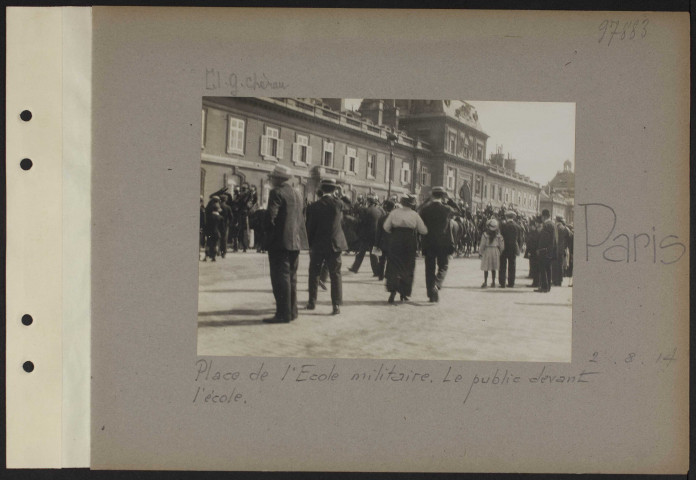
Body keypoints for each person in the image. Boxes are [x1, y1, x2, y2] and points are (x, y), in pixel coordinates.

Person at [262, 165, 309, 323]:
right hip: (296, 242)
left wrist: (267, 234)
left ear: (277, 179)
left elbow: (270, 217)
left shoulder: (276, 192)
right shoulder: (297, 193)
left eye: (272, 177)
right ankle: (292, 311)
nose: (271, 179)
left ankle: (283, 314)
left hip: (280, 243)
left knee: (280, 278)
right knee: (292, 278)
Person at [305, 179, 348, 315]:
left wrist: (310, 244)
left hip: (318, 244)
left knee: (314, 273)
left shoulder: (313, 206)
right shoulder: (338, 204)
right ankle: (336, 305)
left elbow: (309, 227)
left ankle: (312, 302)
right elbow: (349, 205)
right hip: (335, 244)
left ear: (321, 189)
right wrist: (341, 193)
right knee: (335, 274)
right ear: (334, 190)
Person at [383, 194, 428, 303]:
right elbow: (424, 230)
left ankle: (393, 289)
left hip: (396, 240)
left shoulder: (394, 212)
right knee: (408, 266)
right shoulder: (415, 215)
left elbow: (386, 227)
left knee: (393, 264)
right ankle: (404, 293)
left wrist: (394, 233)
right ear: (412, 204)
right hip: (409, 240)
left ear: (402, 202)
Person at [418, 186, 457, 302]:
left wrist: (426, 201)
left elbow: (417, 212)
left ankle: (431, 294)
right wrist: (450, 200)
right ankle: (437, 284)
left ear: (432, 195)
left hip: (428, 242)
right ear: (443, 196)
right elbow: (459, 211)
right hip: (443, 243)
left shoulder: (425, 210)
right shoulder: (447, 209)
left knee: (429, 268)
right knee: (443, 266)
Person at [348, 194, 385, 275]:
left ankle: (355, 268)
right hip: (376, 235)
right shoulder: (380, 211)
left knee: (361, 253)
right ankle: (376, 271)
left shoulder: (365, 210)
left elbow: (361, 222)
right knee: (374, 254)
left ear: (368, 202)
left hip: (366, 235)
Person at [535, 209, 557, 293]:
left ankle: (544, 287)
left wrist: (540, 249)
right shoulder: (552, 224)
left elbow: (544, 240)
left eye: (542, 217)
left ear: (544, 216)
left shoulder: (546, 225)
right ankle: (548, 287)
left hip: (544, 251)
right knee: (548, 269)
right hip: (550, 250)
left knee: (543, 268)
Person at [498, 211, 522, 288]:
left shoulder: (503, 226)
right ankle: (511, 283)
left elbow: (500, 237)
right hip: (513, 248)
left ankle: (502, 283)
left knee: (502, 265)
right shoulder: (517, 226)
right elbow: (520, 239)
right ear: (513, 217)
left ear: (506, 217)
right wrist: (519, 248)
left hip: (504, 248)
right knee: (512, 265)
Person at [479, 218, 504, 288]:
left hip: (487, 250)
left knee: (486, 267)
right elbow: (501, 245)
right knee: (494, 267)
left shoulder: (485, 235)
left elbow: (482, 244)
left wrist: (480, 252)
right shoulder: (499, 235)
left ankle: (485, 282)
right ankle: (493, 282)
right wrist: (501, 252)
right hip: (495, 251)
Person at [374, 199, 395, 281]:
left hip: (382, 242)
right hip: (392, 243)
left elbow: (378, 233)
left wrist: (376, 245)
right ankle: (387, 274)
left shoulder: (381, 218)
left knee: (381, 259)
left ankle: (380, 275)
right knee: (390, 260)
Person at [552, 216, 571, 286]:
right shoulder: (565, 228)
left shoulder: (556, 228)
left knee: (555, 265)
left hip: (556, 249)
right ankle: (559, 280)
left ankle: (556, 281)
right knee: (560, 266)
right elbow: (569, 238)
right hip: (562, 249)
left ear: (557, 221)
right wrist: (565, 246)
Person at [525, 217, 541, 288]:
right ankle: (535, 282)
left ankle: (536, 283)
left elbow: (534, 242)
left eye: (536, 223)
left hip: (535, 252)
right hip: (534, 251)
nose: (536, 224)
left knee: (536, 268)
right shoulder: (537, 231)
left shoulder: (538, 231)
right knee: (535, 268)